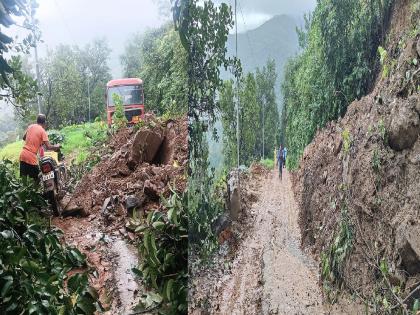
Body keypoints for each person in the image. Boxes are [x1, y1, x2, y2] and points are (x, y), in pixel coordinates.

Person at [19, 114, 60, 184]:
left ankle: (24, 194)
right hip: (31, 157)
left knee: (24, 181)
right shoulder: (42, 131)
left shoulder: (30, 126)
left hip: (23, 154)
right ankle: (35, 193)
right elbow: (48, 147)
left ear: (37, 121)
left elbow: (24, 138)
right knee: (37, 179)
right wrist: (57, 146)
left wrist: (35, 141)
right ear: (44, 123)